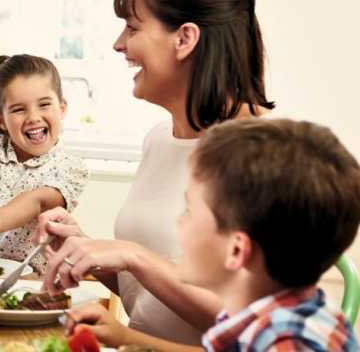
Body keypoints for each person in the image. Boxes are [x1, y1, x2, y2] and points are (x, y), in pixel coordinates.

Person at [34, 0, 276, 345]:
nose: (118, 44)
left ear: (184, 38)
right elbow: (148, 299)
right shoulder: (160, 139)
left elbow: (251, 324)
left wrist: (133, 256)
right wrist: (88, 250)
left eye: (132, 28)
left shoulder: (264, 156)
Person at [65, 119, 359, 351]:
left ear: (236, 251)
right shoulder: (272, 316)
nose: (178, 222)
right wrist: (124, 338)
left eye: (189, 211)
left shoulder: (285, 343)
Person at [0, 54, 88, 273]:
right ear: (1, 120)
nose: (33, 117)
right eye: (19, 109)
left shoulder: (70, 167)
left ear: (62, 109)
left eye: (44, 105)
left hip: (29, 283)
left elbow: (38, 200)